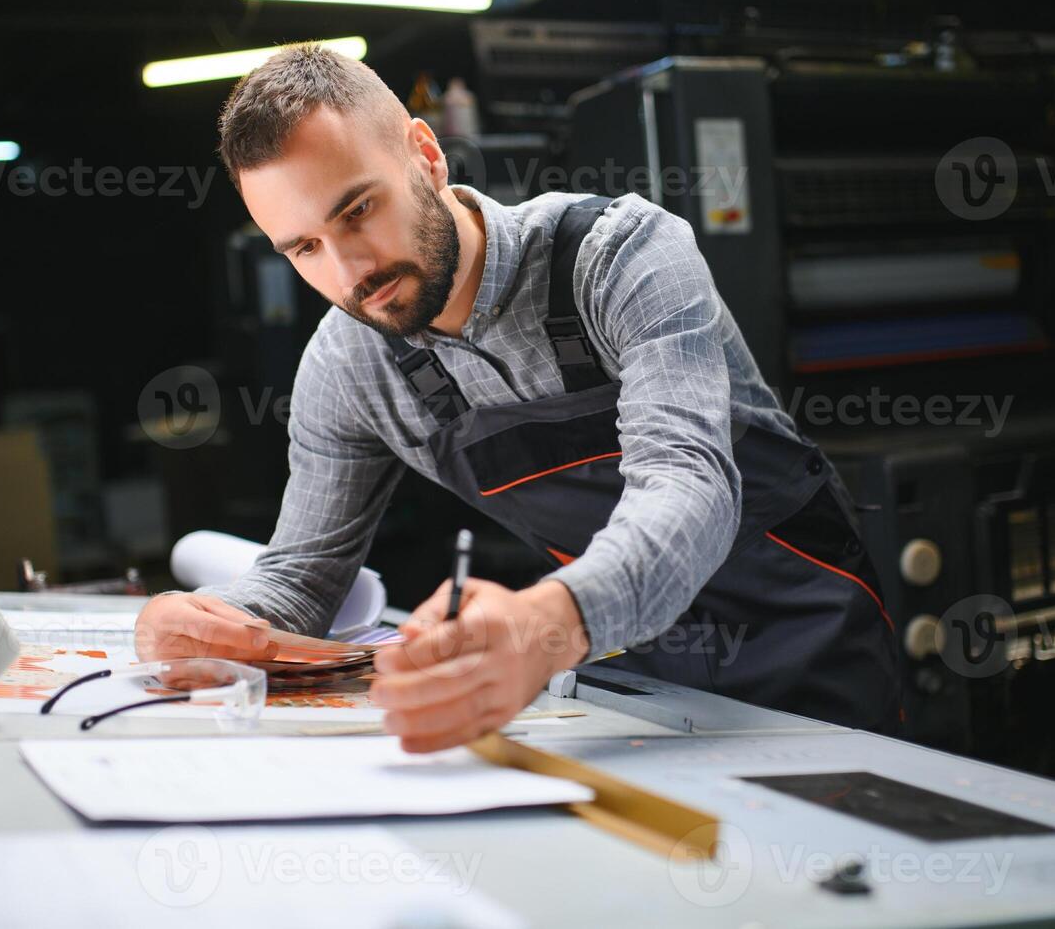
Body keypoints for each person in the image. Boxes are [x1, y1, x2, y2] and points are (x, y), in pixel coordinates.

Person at [135, 45, 900, 752]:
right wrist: (210, 622)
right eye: (303, 248)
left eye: (357, 210)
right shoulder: (348, 366)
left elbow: (688, 486)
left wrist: (542, 625)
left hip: (809, 646)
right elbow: (302, 578)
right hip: (642, 681)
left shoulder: (622, 256)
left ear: (425, 156)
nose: (347, 273)